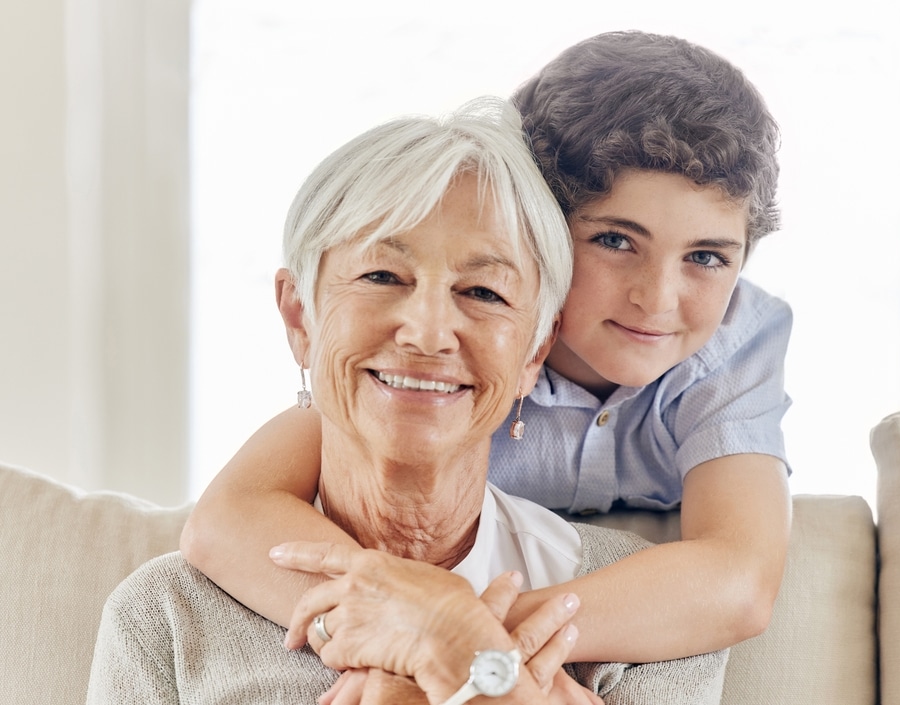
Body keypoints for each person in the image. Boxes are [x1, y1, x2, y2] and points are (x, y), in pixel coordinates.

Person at [181, 30, 793, 666]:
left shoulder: (735, 340)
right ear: (532, 235)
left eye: (706, 256)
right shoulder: (444, 367)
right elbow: (227, 520)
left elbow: (740, 583)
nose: (658, 298)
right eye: (615, 240)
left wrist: (454, 631)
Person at [89, 98, 728, 705]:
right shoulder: (166, 613)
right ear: (300, 318)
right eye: (382, 277)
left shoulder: (648, 625)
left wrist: (461, 644)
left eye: (483, 292)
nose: (426, 332)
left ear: (535, 352)